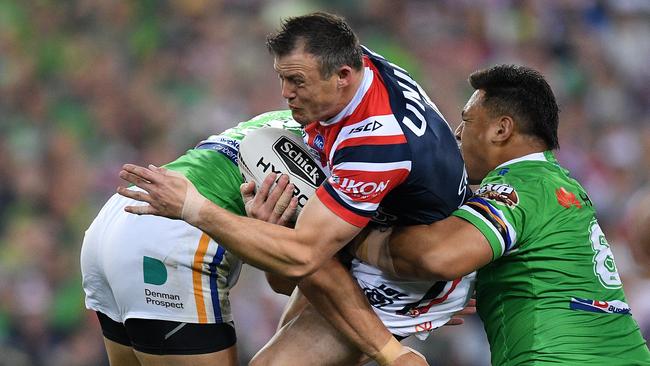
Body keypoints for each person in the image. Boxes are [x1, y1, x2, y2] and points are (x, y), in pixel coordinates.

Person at [117, 12, 472, 366]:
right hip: (384, 229)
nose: (286, 93)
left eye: (297, 81)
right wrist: (273, 229)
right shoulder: (354, 65)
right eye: (282, 78)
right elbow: (287, 279)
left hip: (405, 270)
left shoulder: (375, 145)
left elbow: (303, 258)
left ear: (343, 77)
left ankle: (398, 356)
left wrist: (191, 208)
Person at [350, 64, 650, 364]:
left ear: (501, 129)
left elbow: (438, 256)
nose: (457, 133)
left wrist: (357, 235)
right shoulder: (555, 182)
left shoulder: (522, 184)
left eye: (466, 120)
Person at [80, 110, 304, 366]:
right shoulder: (344, 150)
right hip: (174, 233)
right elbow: (288, 281)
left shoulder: (288, 114)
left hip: (122, 211)